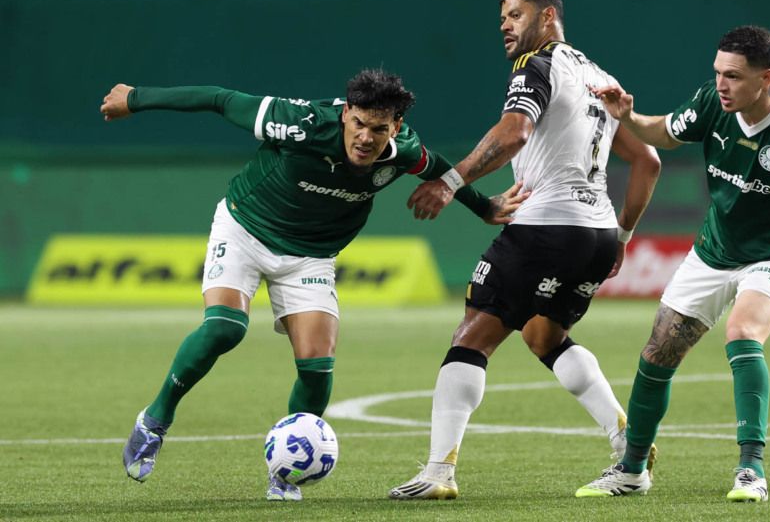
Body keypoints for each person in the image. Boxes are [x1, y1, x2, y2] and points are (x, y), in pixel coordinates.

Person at [99, 69, 526, 501]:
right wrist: (136, 97)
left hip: (310, 256)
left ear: (394, 127)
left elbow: (436, 167)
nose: (365, 138)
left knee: (317, 365)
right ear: (345, 115)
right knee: (226, 328)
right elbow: (220, 98)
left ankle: (285, 474)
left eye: (379, 129)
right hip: (245, 229)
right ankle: (154, 420)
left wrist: (484, 206)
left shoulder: (402, 150)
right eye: (358, 123)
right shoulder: (301, 123)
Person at [388, 0, 662, 500]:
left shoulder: (536, 65)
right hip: (597, 232)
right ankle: (628, 443)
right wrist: (622, 236)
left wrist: (449, 182)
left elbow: (514, 131)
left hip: (545, 227)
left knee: (471, 337)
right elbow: (647, 161)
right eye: (502, 19)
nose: (505, 26)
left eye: (515, 15)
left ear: (547, 17)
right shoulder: (600, 78)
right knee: (543, 335)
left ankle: (438, 473)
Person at [575, 25, 770, 501]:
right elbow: (664, 132)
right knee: (657, 353)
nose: (722, 84)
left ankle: (751, 472)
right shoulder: (713, 101)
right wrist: (628, 116)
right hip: (713, 251)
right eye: (718, 73)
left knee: (743, 331)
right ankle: (632, 471)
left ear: (765, 78)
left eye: (734, 76)